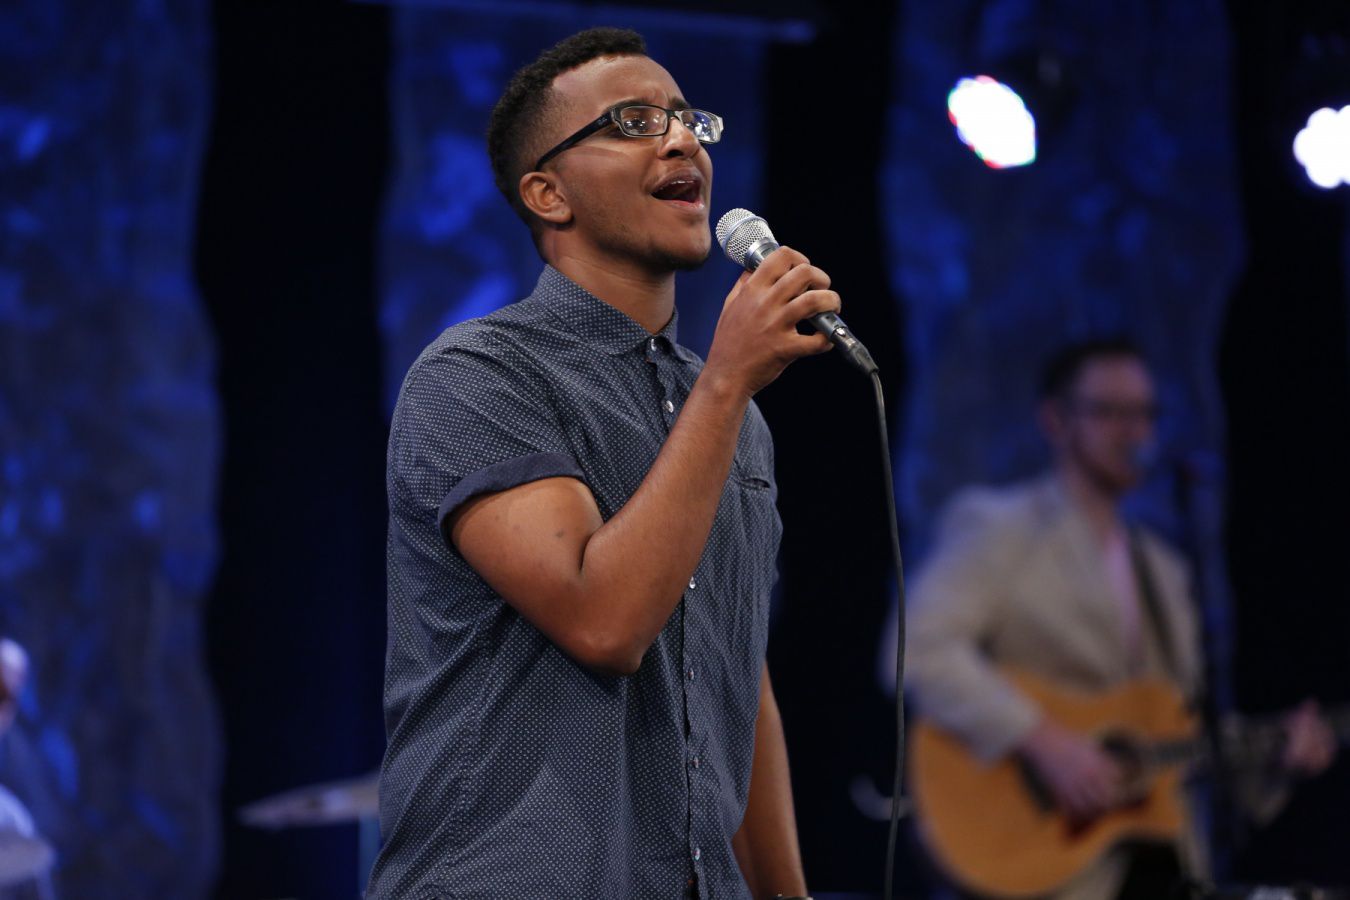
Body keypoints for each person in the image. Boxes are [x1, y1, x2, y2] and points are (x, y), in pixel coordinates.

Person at [365, 27, 835, 900]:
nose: (682, 139)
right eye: (634, 122)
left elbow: (736, 674)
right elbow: (604, 622)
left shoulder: (730, 413)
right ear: (548, 194)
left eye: (688, 119)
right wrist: (727, 382)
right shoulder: (478, 376)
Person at [904, 338, 1335, 900]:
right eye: (1109, 411)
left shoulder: (1165, 569)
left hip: (1161, 863)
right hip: (1046, 857)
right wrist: (1044, 742)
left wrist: (1278, 761)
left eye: (1145, 413)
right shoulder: (1000, 527)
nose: (1134, 431)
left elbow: (1183, 741)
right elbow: (919, 651)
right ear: (1056, 419)